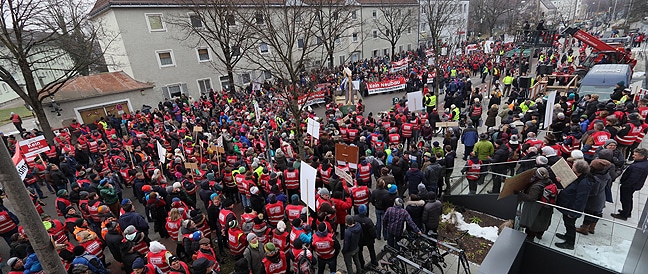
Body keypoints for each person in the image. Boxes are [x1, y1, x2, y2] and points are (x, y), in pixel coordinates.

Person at [555, 160, 592, 250]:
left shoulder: (584, 183)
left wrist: (573, 212)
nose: (571, 168)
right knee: (566, 222)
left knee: (570, 224)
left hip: (571, 208)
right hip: (568, 205)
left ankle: (570, 243)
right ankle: (567, 235)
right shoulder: (579, 177)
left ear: (578, 171)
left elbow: (580, 199)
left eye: (573, 167)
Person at [517, 168, 553, 241]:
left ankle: (529, 239)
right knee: (542, 222)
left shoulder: (536, 186)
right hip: (545, 207)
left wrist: (519, 194)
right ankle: (539, 234)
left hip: (536, 209)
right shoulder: (549, 181)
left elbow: (531, 198)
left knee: (532, 224)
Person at [576, 159, 611, 235]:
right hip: (601, 197)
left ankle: (584, 228)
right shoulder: (605, 174)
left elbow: (594, 192)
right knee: (597, 213)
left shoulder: (596, 179)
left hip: (594, 200)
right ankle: (592, 228)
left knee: (589, 213)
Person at [612, 148, 648, 220]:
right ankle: (627, 212)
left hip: (629, 186)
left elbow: (633, 179)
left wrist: (624, 184)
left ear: (642, 157)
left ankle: (624, 215)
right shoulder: (644, 163)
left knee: (625, 199)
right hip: (634, 185)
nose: (633, 156)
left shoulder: (638, 167)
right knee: (628, 198)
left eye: (635, 155)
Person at [354, 204, 377, 268]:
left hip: (359, 239)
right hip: (368, 239)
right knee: (371, 250)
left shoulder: (354, 218)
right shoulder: (368, 221)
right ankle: (374, 262)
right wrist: (374, 236)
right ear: (365, 212)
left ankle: (361, 264)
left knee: (359, 252)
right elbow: (372, 231)